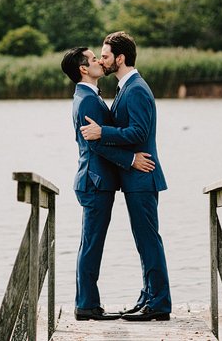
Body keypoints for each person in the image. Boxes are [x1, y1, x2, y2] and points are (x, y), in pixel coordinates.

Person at [80, 31, 172, 321]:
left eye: (105, 55)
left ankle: (158, 304)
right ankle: (148, 297)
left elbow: (139, 132)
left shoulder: (136, 89)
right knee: (143, 241)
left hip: (143, 177)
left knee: (148, 241)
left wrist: (101, 132)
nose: (102, 59)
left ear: (120, 58)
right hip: (134, 179)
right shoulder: (125, 88)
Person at [60, 46, 156, 321]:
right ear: (83, 69)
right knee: (92, 244)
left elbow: (101, 137)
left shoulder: (89, 95)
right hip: (95, 180)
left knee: (91, 243)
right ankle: (87, 305)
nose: (99, 62)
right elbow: (98, 144)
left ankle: (87, 302)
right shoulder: (88, 100)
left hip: (96, 180)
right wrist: (130, 160)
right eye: (93, 59)